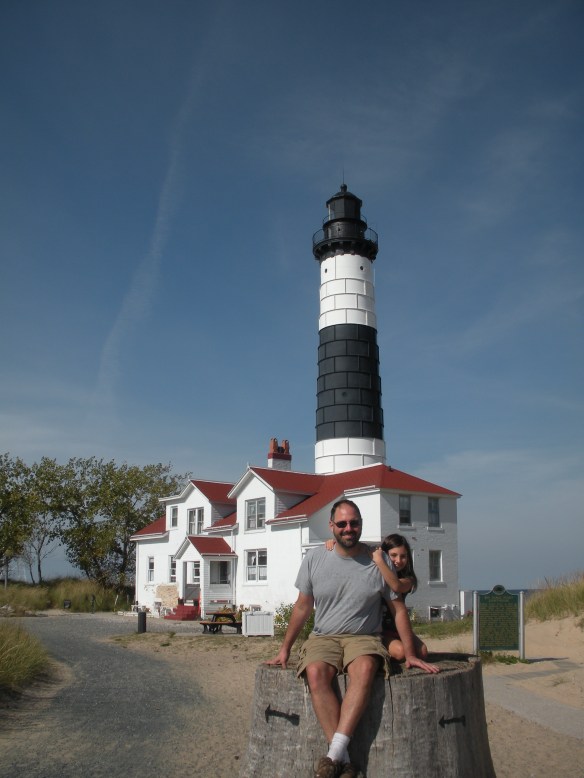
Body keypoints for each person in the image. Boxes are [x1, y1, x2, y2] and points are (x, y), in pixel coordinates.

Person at [266, 500, 438, 778]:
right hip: (324, 635)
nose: (349, 529)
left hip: (364, 636)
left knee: (366, 668)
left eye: (354, 523)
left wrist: (411, 653)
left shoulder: (377, 561)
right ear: (331, 526)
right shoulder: (315, 558)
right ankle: (344, 759)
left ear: (361, 525)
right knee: (315, 672)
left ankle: (332, 755)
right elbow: (302, 606)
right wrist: (284, 648)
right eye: (342, 524)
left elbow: (397, 608)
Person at [372, 534, 428, 661]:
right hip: (379, 630)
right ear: (385, 553)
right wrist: (333, 543)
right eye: (393, 555)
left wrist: (380, 560)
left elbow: (396, 586)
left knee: (423, 651)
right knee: (401, 652)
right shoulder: (375, 574)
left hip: (397, 628)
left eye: (403, 556)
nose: (398, 560)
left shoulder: (409, 580)